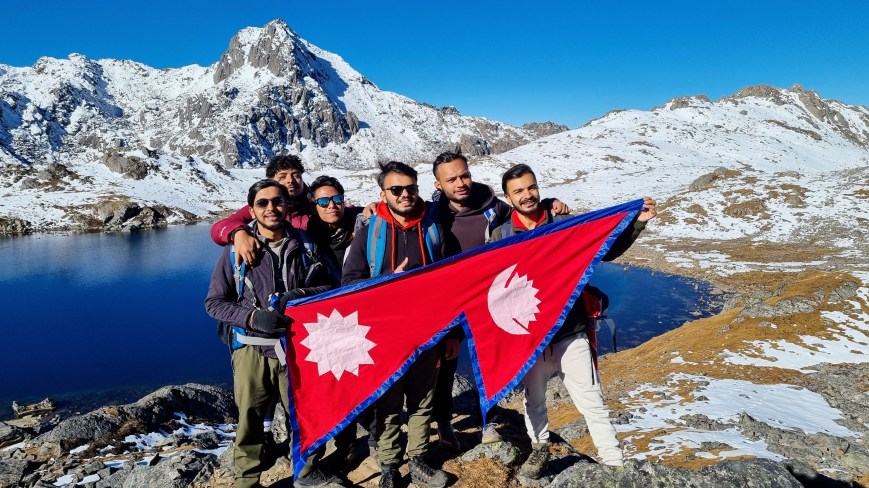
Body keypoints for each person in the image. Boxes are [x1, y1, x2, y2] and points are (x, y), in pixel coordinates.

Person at [490, 164, 657, 479]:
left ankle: (614, 465)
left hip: (571, 331)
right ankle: (539, 450)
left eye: (531, 187)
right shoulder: (500, 235)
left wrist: (636, 224)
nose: (527, 195)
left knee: (592, 403)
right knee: (534, 401)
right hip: (529, 338)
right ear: (508, 197)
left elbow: (603, 248)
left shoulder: (565, 223)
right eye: (519, 191)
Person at [428, 151, 571, 449]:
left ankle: (489, 418)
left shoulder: (494, 207)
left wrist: (549, 203)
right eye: (451, 179)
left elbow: (526, 211)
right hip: (450, 301)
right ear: (439, 184)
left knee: (491, 357)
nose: (461, 183)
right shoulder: (434, 214)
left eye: (464, 175)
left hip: (491, 299)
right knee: (447, 362)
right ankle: (443, 421)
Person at [205, 179, 340, 488]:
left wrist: (300, 295)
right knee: (249, 419)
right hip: (251, 348)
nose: (271, 208)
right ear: (251, 210)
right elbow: (214, 302)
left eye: (277, 202)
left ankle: (306, 473)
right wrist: (252, 317)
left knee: (301, 414)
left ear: (286, 205)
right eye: (262, 203)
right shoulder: (234, 252)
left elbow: (333, 288)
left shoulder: (306, 245)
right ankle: (247, 479)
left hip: (297, 348)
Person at [342, 161, 452, 488]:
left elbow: (453, 285)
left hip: (426, 334)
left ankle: (417, 460)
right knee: (387, 405)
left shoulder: (434, 230)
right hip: (384, 338)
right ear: (383, 194)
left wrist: (451, 333)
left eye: (411, 188)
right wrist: (387, 282)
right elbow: (350, 284)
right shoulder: (369, 235)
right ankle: (389, 464)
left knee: (422, 402)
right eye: (397, 190)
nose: (406, 195)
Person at [211, 155, 312, 267]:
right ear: (271, 181)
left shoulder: (321, 203)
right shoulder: (262, 206)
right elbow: (218, 229)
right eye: (282, 177)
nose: (290, 180)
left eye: (296, 175)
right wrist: (237, 233)